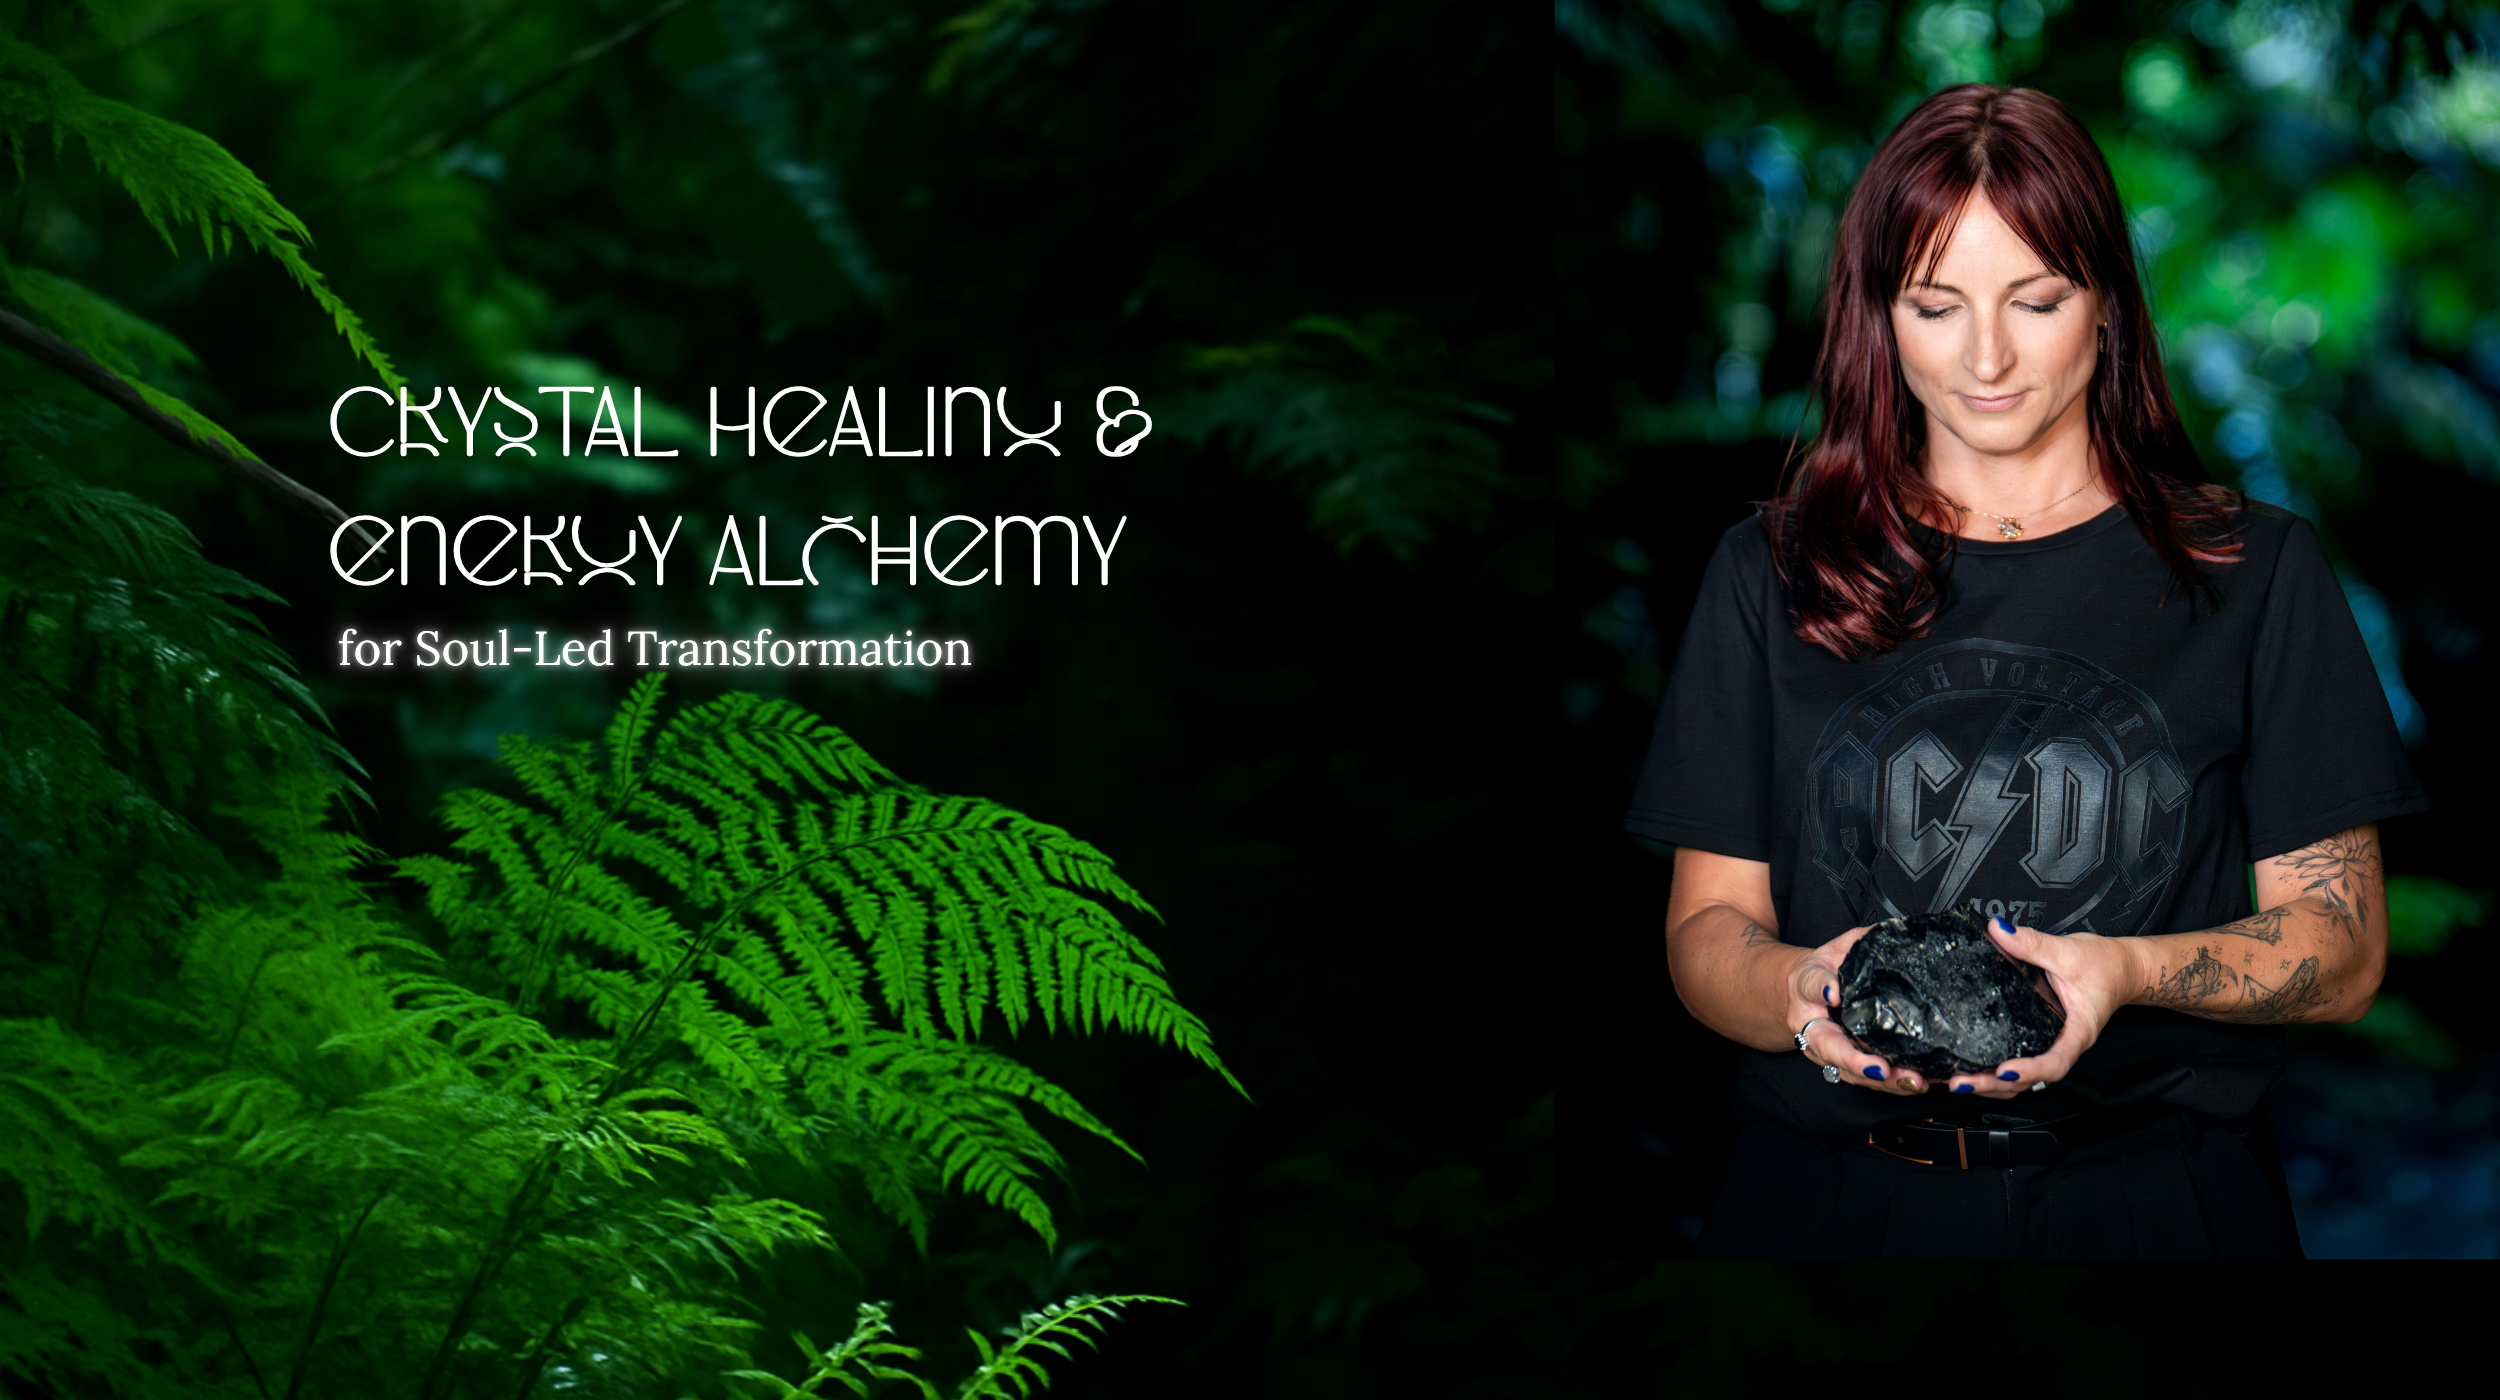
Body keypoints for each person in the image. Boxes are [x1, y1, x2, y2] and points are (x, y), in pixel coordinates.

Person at [1625, 84, 2427, 1259]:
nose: (1986, 356)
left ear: (2104, 303)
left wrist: (2121, 973)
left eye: (2036, 298)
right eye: (1935, 304)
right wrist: (1802, 994)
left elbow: (2344, 948)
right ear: (1878, 316)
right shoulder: (1772, 570)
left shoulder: (2250, 574)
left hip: (2161, 1203)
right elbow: (1707, 927)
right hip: (1824, 1206)